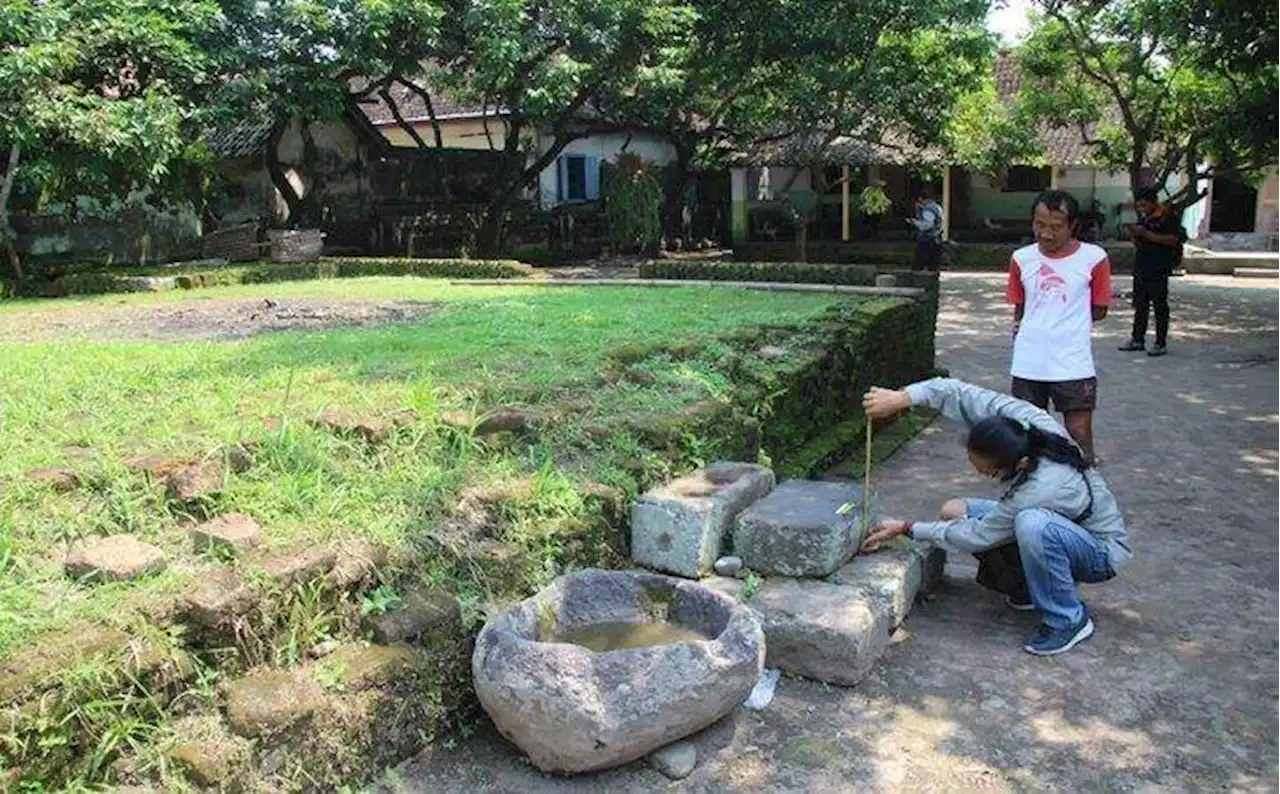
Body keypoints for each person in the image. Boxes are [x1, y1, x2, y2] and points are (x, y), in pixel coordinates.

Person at [859, 377, 1132, 656]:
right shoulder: (1024, 422)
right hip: (1055, 523)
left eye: (989, 472)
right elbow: (959, 392)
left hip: (1099, 553)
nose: (982, 475)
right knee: (954, 511)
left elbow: (979, 535)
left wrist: (906, 527)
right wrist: (902, 397)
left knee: (1032, 524)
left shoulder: (1043, 488)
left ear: (1019, 464)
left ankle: (1068, 618)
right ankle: (1026, 589)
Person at [1007, 189, 1111, 465]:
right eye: (1039, 225)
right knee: (1029, 432)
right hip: (1029, 360)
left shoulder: (1094, 258)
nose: (1046, 234)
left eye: (1056, 227)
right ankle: (1033, 487)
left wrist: (1066, 324)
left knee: (1079, 431)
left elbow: (1099, 308)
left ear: (1072, 226)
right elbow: (1020, 307)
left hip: (1072, 360)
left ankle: (1088, 482)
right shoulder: (1021, 258)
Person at [1120, 187, 1185, 357]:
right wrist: (1134, 235)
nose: (1141, 209)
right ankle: (1137, 339)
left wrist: (1146, 234)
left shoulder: (1168, 217)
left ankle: (1160, 343)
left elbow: (1172, 239)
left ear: (1153, 202)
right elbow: (1140, 241)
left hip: (1159, 267)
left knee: (1159, 306)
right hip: (1142, 265)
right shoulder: (1145, 218)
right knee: (1140, 304)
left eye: (1144, 205)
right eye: (1139, 206)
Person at [907, 187, 944, 270]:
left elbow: (928, 225)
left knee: (917, 268)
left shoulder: (927, 209)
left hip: (927, 241)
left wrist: (914, 222)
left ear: (920, 199)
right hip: (937, 240)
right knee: (933, 268)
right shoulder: (937, 207)